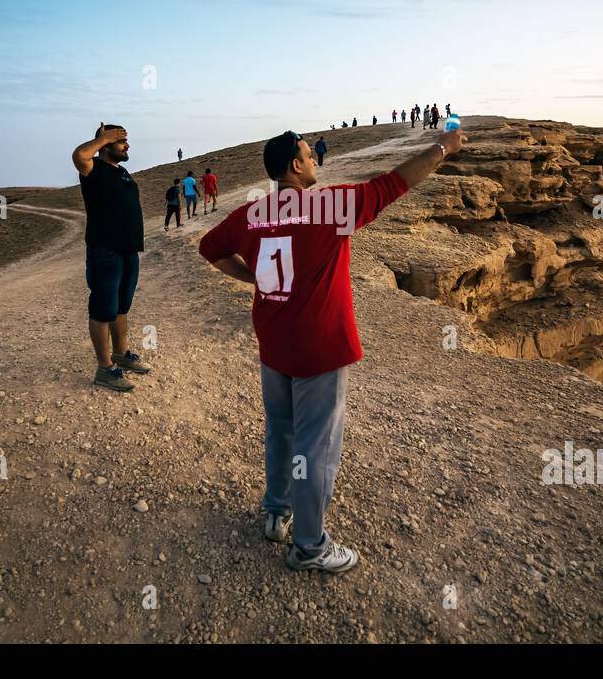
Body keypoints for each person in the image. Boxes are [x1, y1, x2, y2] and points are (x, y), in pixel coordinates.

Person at [198, 125, 467, 573]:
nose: (314, 162)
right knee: (314, 446)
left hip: (273, 341)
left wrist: (253, 280)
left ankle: (276, 511)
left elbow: (210, 247)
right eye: (308, 156)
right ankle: (308, 545)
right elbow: (397, 182)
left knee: (280, 430)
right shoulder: (331, 205)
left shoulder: (252, 214)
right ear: (295, 166)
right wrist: (443, 147)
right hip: (319, 346)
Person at [70, 124, 152, 392]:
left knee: (120, 307)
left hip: (129, 250)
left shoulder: (123, 172)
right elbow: (78, 155)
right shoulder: (93, 169)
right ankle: (104, 369)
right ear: (105, 144)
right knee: (103, 309)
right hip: (104, 250)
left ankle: (120, 354)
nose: (127, 145)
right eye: (121, 141)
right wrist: (104, 137)